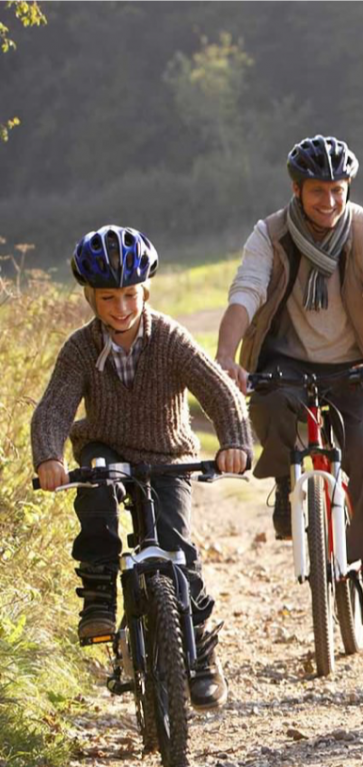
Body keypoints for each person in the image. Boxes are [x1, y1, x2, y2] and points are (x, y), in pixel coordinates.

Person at [31, 225, 252, 710]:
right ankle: (98, 599)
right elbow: (54, 407)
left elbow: (217, 387)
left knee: (179, 549)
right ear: (90, 297)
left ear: (144, 291)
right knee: (95, 491)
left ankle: (199, 659)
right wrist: (49, 456)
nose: (121, 308)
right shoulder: (81, 348)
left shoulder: (169, 337)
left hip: (167, 454)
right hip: (107, 449)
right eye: (107, 297)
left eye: (130, 295)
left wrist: (235, 440)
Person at [215, 135, 363, 625]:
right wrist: (225, 355)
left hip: (355, 363)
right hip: (288, 361)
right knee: (272, 406)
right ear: (297, 190)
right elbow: (247, 291)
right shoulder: (270, 234)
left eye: (339, 189)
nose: (330, 201)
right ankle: (285, 479)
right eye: (318, 191)